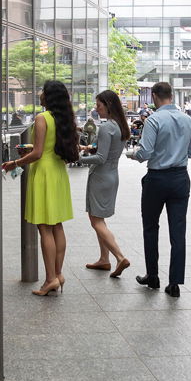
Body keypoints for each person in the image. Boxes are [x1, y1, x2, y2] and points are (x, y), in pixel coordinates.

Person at [2, 79, 78, 295]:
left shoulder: (42, 118)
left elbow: (36, 153)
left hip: (43, 173)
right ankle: (58, 273)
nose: (39, 94)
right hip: (58, 173)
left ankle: (50, 279)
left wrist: (14, 163)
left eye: (42, 91)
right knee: (57, 226)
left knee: (44, 227)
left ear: (49, 96)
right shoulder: (64, 118)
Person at [130, 81, 191, 297]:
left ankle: (153, 276)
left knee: (150, 227)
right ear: (172, 95)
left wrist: (132, 154)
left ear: (155, 96)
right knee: (178, 232)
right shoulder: (188, 120)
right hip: (180, 178)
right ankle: (174, 283)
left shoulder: (154, 120)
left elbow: (145, 153)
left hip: (157, 179)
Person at [80, 89, 131, 278]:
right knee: (100, 219)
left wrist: (77, 158)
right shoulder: (119, 126)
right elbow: (107, 152)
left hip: (101, 177)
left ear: (108, 105)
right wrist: (90, 148)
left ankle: (119, 256)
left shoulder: (107, 127)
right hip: (112, 176)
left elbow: (100, 158)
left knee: (96, 221)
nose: (96, 108)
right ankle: (104, 259)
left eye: (99, 105)